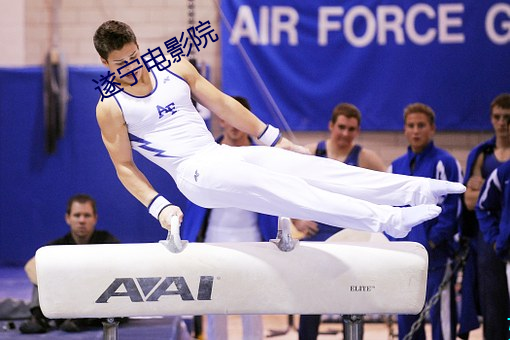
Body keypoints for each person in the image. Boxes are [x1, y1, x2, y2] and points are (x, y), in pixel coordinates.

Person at [93, 20, 464, 247]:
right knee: (289, 191)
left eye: (134, 57)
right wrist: (160, 207)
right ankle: (387, 220)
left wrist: (274, 138)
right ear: (105, 65)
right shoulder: (111, 107)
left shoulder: (175, 68)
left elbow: (223, 103)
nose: (131, 68)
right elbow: (124, 167)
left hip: (220, 156)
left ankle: (413, 189)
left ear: (139, 47)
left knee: (311, 168)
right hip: (193, 174)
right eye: (119, 64)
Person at [181, 96, 278, 340]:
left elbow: (275, 199)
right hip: (214, 238)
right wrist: (187, 238)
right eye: (229, 119)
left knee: (253, 305)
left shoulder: (262, 159)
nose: (235, 126)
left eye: (239, 120)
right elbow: (192, 198)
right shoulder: (204, 154)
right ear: (221, 120)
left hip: (254, 239)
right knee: (215, 305)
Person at [296, 102, 386, 340]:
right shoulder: (311, 152)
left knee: (354, 300)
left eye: (351, 129)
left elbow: (389, 192)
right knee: (310, 302)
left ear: (357, 131)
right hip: (317, 235)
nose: (346, 134)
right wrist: (297, 220)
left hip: (351, 239)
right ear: (331, 126)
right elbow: (285, 189)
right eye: (342, 127)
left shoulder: (366, 158)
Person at [387, 103, 462, 340]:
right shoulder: (395, 167)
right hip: (405, 259)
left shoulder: (445, 163)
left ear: (432, 129)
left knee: (442, 320)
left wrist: (432, 241)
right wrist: (395, 243)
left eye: (421, 125)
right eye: (411, 126)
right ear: (405, 130)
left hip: (436, 257)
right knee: (407, 321)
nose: (416, 131)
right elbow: (388, 209)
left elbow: (452, 209)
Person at [19, 194, 120, 334]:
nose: (82, 220)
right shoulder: (57, 246)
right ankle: (38, 318)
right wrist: (60, 283)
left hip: (96, 301)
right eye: (77, 215)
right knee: (42, 270)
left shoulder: (108, 242)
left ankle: (80, 319)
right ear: (68, 218)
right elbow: (30, 266)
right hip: (65, 298)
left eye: (87, 215)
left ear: (95, 218)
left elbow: (118, 270)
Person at [460, 93, 510, 340]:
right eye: (497, 117)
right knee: (493, 304)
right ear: (491, 119)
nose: (502, 123)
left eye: (507, 118)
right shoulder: (482, 154)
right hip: (489, 238)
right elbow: (469, 202)